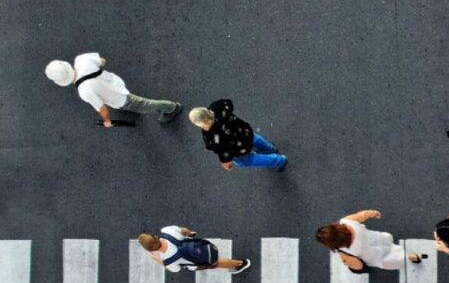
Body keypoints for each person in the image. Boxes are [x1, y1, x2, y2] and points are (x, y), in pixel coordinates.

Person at [45, 52, 182, 127]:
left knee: (143, 105)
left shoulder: (84, 91)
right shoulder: (81, 59)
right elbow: (103, 61)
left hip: (120, 99)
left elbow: (102, 108)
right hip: (115, 82)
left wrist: (107, 121)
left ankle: (171, 108)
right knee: (137, 103)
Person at [189, 100, 287, 171]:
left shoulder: (213, 137)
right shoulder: (217, 106)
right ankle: (271, 149)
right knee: (254, 138)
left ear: (202, 123)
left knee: (249, 161)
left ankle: (279, 160)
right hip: (245, 132)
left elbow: (225, 155)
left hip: (239, 150)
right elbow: (229, 103)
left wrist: (226, 165)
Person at [315, 209, 425, 272]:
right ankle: (414, 256)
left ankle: (414, 257)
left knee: (399, 257)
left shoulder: (345, 252)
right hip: (381, 240)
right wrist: (372, 213)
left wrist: (347, 264)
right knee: (393, 247)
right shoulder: (347, 222)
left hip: (380, 256)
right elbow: (361, 215)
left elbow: (358, 266)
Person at [137, 225, 251, 274]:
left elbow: (176, 270)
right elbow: (184, 230)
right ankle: (239, 263)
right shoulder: (167, 231)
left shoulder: (168, 260)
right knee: (210, 254)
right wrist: (190, 234)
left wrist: (160, 261)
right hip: (200, 245)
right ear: (155, 236)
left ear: (150, 250)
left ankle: (241, 263)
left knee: (215, 263)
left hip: (197, 262)